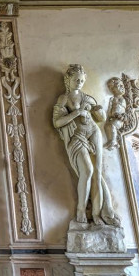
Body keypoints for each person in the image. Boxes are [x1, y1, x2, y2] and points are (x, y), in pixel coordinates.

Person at [52, 64, 119, 226]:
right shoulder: (64, 98)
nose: (80, 83)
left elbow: (101, 118)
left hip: (93, 132)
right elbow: (57, 122)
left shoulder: (87, 97)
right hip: (77, 136)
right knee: (87, 170)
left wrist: (98, 110)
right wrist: (76, 112)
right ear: (68, 80)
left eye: (82, 80)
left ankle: (97, 215)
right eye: (76, 80)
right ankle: (81, 209)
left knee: (97, 172)